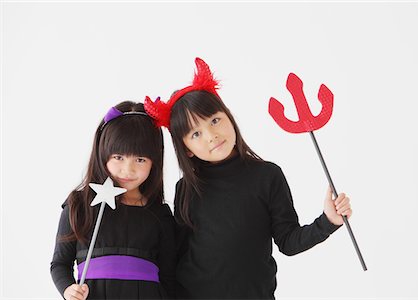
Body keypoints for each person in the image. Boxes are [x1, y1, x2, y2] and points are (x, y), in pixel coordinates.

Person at [144, 58, 352, 300]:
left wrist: (327, 221)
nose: (211, 136)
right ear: (186, 148)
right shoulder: (186, 189)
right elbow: (177, 252)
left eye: (214, 120)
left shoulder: (267, 176)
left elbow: (288, 241)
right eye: (196, 133)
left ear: (228, 117)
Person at [50, 101, 176, 300]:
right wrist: (68, 289)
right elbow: (60, 263)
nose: (128, 170)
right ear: (103, 154)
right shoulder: (79, 205)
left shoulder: (160, 215)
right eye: (118, 157)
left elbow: (169, 276)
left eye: (140, 159)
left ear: (155, 161)